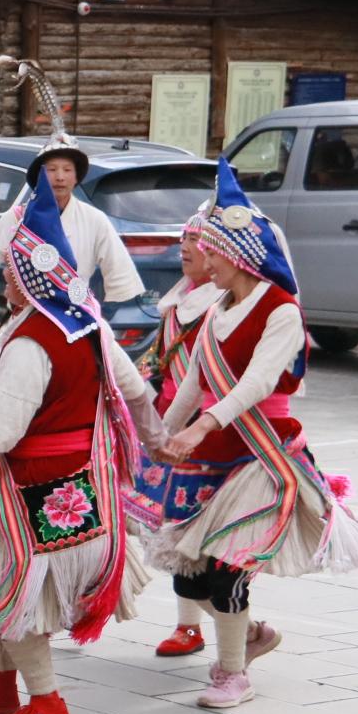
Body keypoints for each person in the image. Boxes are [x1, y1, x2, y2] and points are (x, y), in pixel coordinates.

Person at [0, 178, 163, 714]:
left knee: (17, 590)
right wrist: (156, 440)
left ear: (29, 279)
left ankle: (48, 702)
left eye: (12, 272)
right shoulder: (88, 325)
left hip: (36, 484)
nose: (5, 279)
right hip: (82, 481)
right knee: (3, 579)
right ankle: (0, 684)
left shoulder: (32, 340)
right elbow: (135, 391)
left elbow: (1, 433)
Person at [150, 161, 358, 708]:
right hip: (214, 455)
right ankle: (248, 635)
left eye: (214, 254)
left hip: (261, 457)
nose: (205, 263)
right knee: (191, 579)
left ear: (239, 255)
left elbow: (258, 382)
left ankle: (232, 675)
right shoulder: (216, 309)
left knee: (227, 570)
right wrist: (158, 436)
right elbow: (193, 385)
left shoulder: (281, 310)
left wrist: (202, 425)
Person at [0, 57, 145, 513]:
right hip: (26, 321)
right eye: (51, 169)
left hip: (79, 323)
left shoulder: (95, 221)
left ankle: (104, 470)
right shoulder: (19, 218)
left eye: (66, 169)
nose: (59, 176)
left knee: (94, 394)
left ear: (77, 175)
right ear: (39, 176)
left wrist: (113, 317)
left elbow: (121, 277)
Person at [126, 211, 223, 658]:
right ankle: (194, 625)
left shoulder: (221, 307)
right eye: (183, 237)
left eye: (196, 239)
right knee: (171, 527)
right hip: (168, 423)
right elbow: (157, 361)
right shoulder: (179, 301)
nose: (185, 246)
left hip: (204, 430)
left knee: (192, 532)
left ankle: (209, 625)